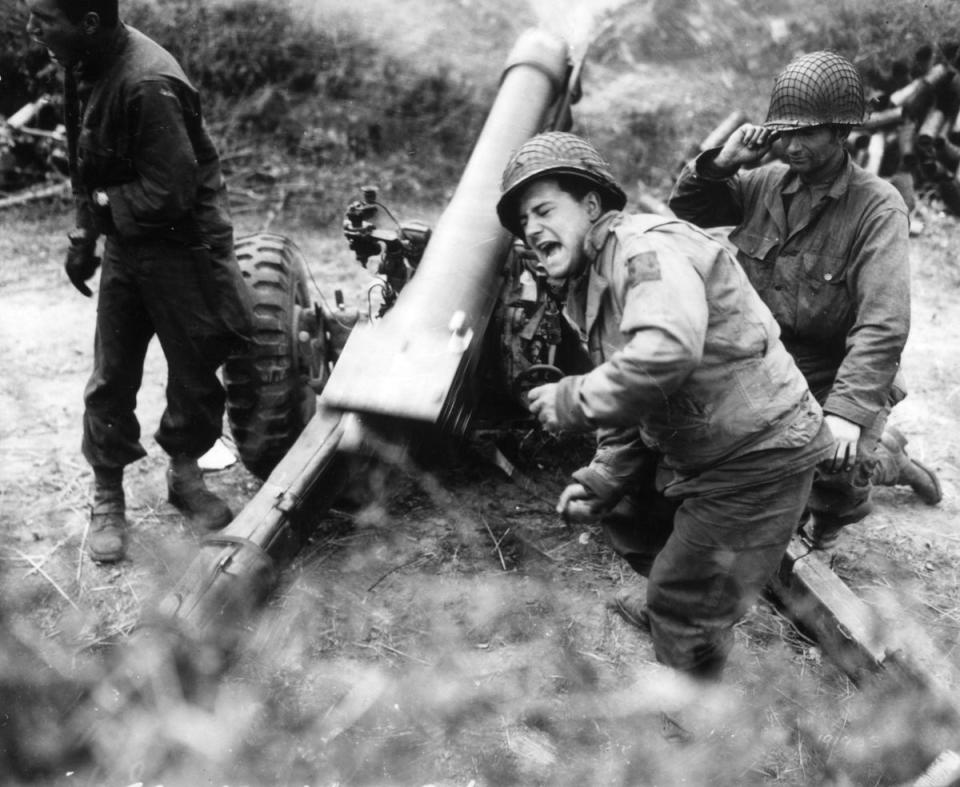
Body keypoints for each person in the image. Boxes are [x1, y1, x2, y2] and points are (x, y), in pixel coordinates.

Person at [496, 131, 834, 682]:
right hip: (708, 448)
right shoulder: (590, 278)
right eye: (522, 222)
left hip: (758, 456)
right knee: (624, 512)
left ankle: (695, 702)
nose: (532, 229)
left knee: (683, 602)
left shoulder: (641, 248)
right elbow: (634, 397)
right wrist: (604, 476)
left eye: (543, 210)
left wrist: (573, 397)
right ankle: (690, 593)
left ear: (590, 203)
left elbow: (668, 351)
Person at [669, 50, 941, 550]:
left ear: (841, 133)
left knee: (835, 465)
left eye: (807, 133)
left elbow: (884, 324)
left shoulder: (878, 207)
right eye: (785, 132)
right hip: (764, 360)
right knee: (698, 443)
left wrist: (847, 412)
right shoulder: (764, 183)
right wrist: (724, 163)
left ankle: (882, 466)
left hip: (833, 370)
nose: (792, 146)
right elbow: (686, 210)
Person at [25, 0, 254, 563]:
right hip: (132, 242)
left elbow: (169, 195)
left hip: (184, 247)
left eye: (43, 19)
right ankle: (108, 493)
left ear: (90, 22)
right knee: (113, 371)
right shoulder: (81, 59)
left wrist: (101, 207)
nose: (34, 31)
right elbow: (88, 163)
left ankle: (184, 473)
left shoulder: (149, 83)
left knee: (196, 371)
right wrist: (85, 234)